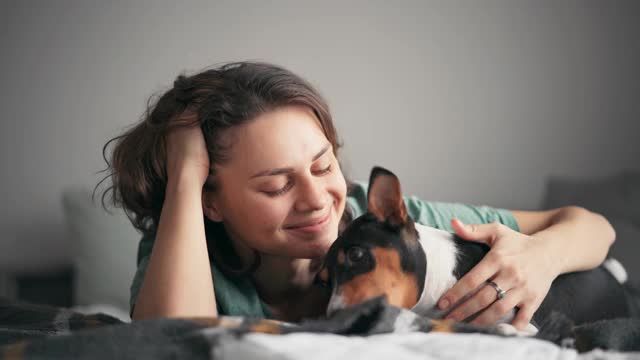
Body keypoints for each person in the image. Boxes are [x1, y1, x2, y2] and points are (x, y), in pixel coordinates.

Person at [98, 61, 615, 329]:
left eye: (324, 165)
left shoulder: (384, 220)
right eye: (276, 185)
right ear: (209, 202)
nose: (317, 199)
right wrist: (186, 172)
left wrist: (540, 256)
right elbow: (167, 339)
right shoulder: (187, 245)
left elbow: (592, 225)